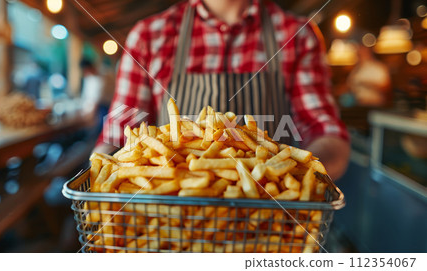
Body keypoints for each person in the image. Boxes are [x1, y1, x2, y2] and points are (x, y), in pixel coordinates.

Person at [95, 0, 350, 180]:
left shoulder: (298, 36)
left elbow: (323, 128)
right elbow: (118, 137)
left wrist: (286, 177)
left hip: (267, 229)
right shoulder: (149, 36)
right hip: (168, 227)